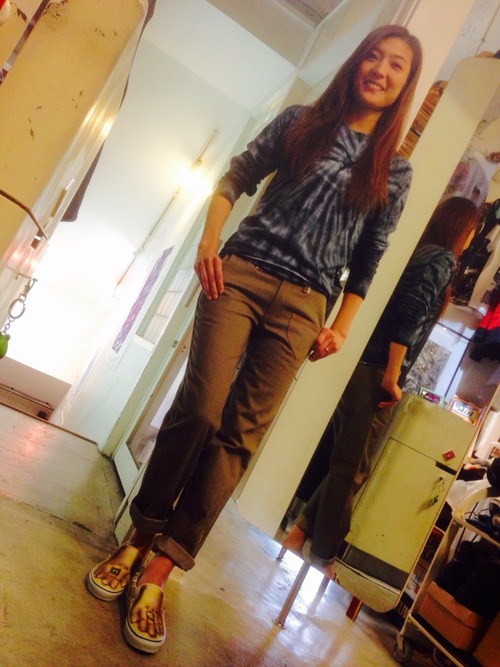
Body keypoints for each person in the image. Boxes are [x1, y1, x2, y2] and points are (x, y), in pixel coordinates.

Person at [85, 25, 422, 653]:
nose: (380, 69)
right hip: (238, 275)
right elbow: (236, 175)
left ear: (405, 84)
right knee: (200, 408)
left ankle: (162, 569)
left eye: (396, 65)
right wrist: (210, 241)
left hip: (305, 306)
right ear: (356, 63)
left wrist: (341, 325)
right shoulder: (301, 122)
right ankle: (138, 538)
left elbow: (369, 259)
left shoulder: (394, 172)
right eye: (373, 56)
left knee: (239, 438)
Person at [282, 196, 480, 569]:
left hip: (364, 365)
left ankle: (300, 532)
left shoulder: (420, 253)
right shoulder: (440, 260)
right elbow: (409, 317)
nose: (472, 237)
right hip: (376, 372)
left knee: (348, 464)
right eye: (472, 229)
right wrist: (392, 376)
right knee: (351, 469)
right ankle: (323, 556)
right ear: (461, 229)